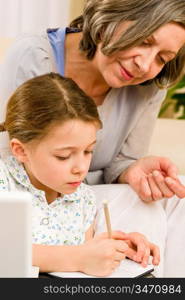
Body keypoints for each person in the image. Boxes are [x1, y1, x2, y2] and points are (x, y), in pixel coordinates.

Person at [1, 0, 185, 202]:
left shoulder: (149, 87)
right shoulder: (34, 57)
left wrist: (132, 171)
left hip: (94, 201)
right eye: (144, 41)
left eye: (162, 58)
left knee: (175, 200)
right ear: (110, 20)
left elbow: (121, 163)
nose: (144, 65)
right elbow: (10, 164)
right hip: (33, 201)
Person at [0, 73, 160, 276]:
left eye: (88, 151)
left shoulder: (82, 197)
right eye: (63, 156)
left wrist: (116, 249)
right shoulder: (3, 182)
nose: (81, 168)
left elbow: (84, 261)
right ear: (21, 150)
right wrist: (79, 257)